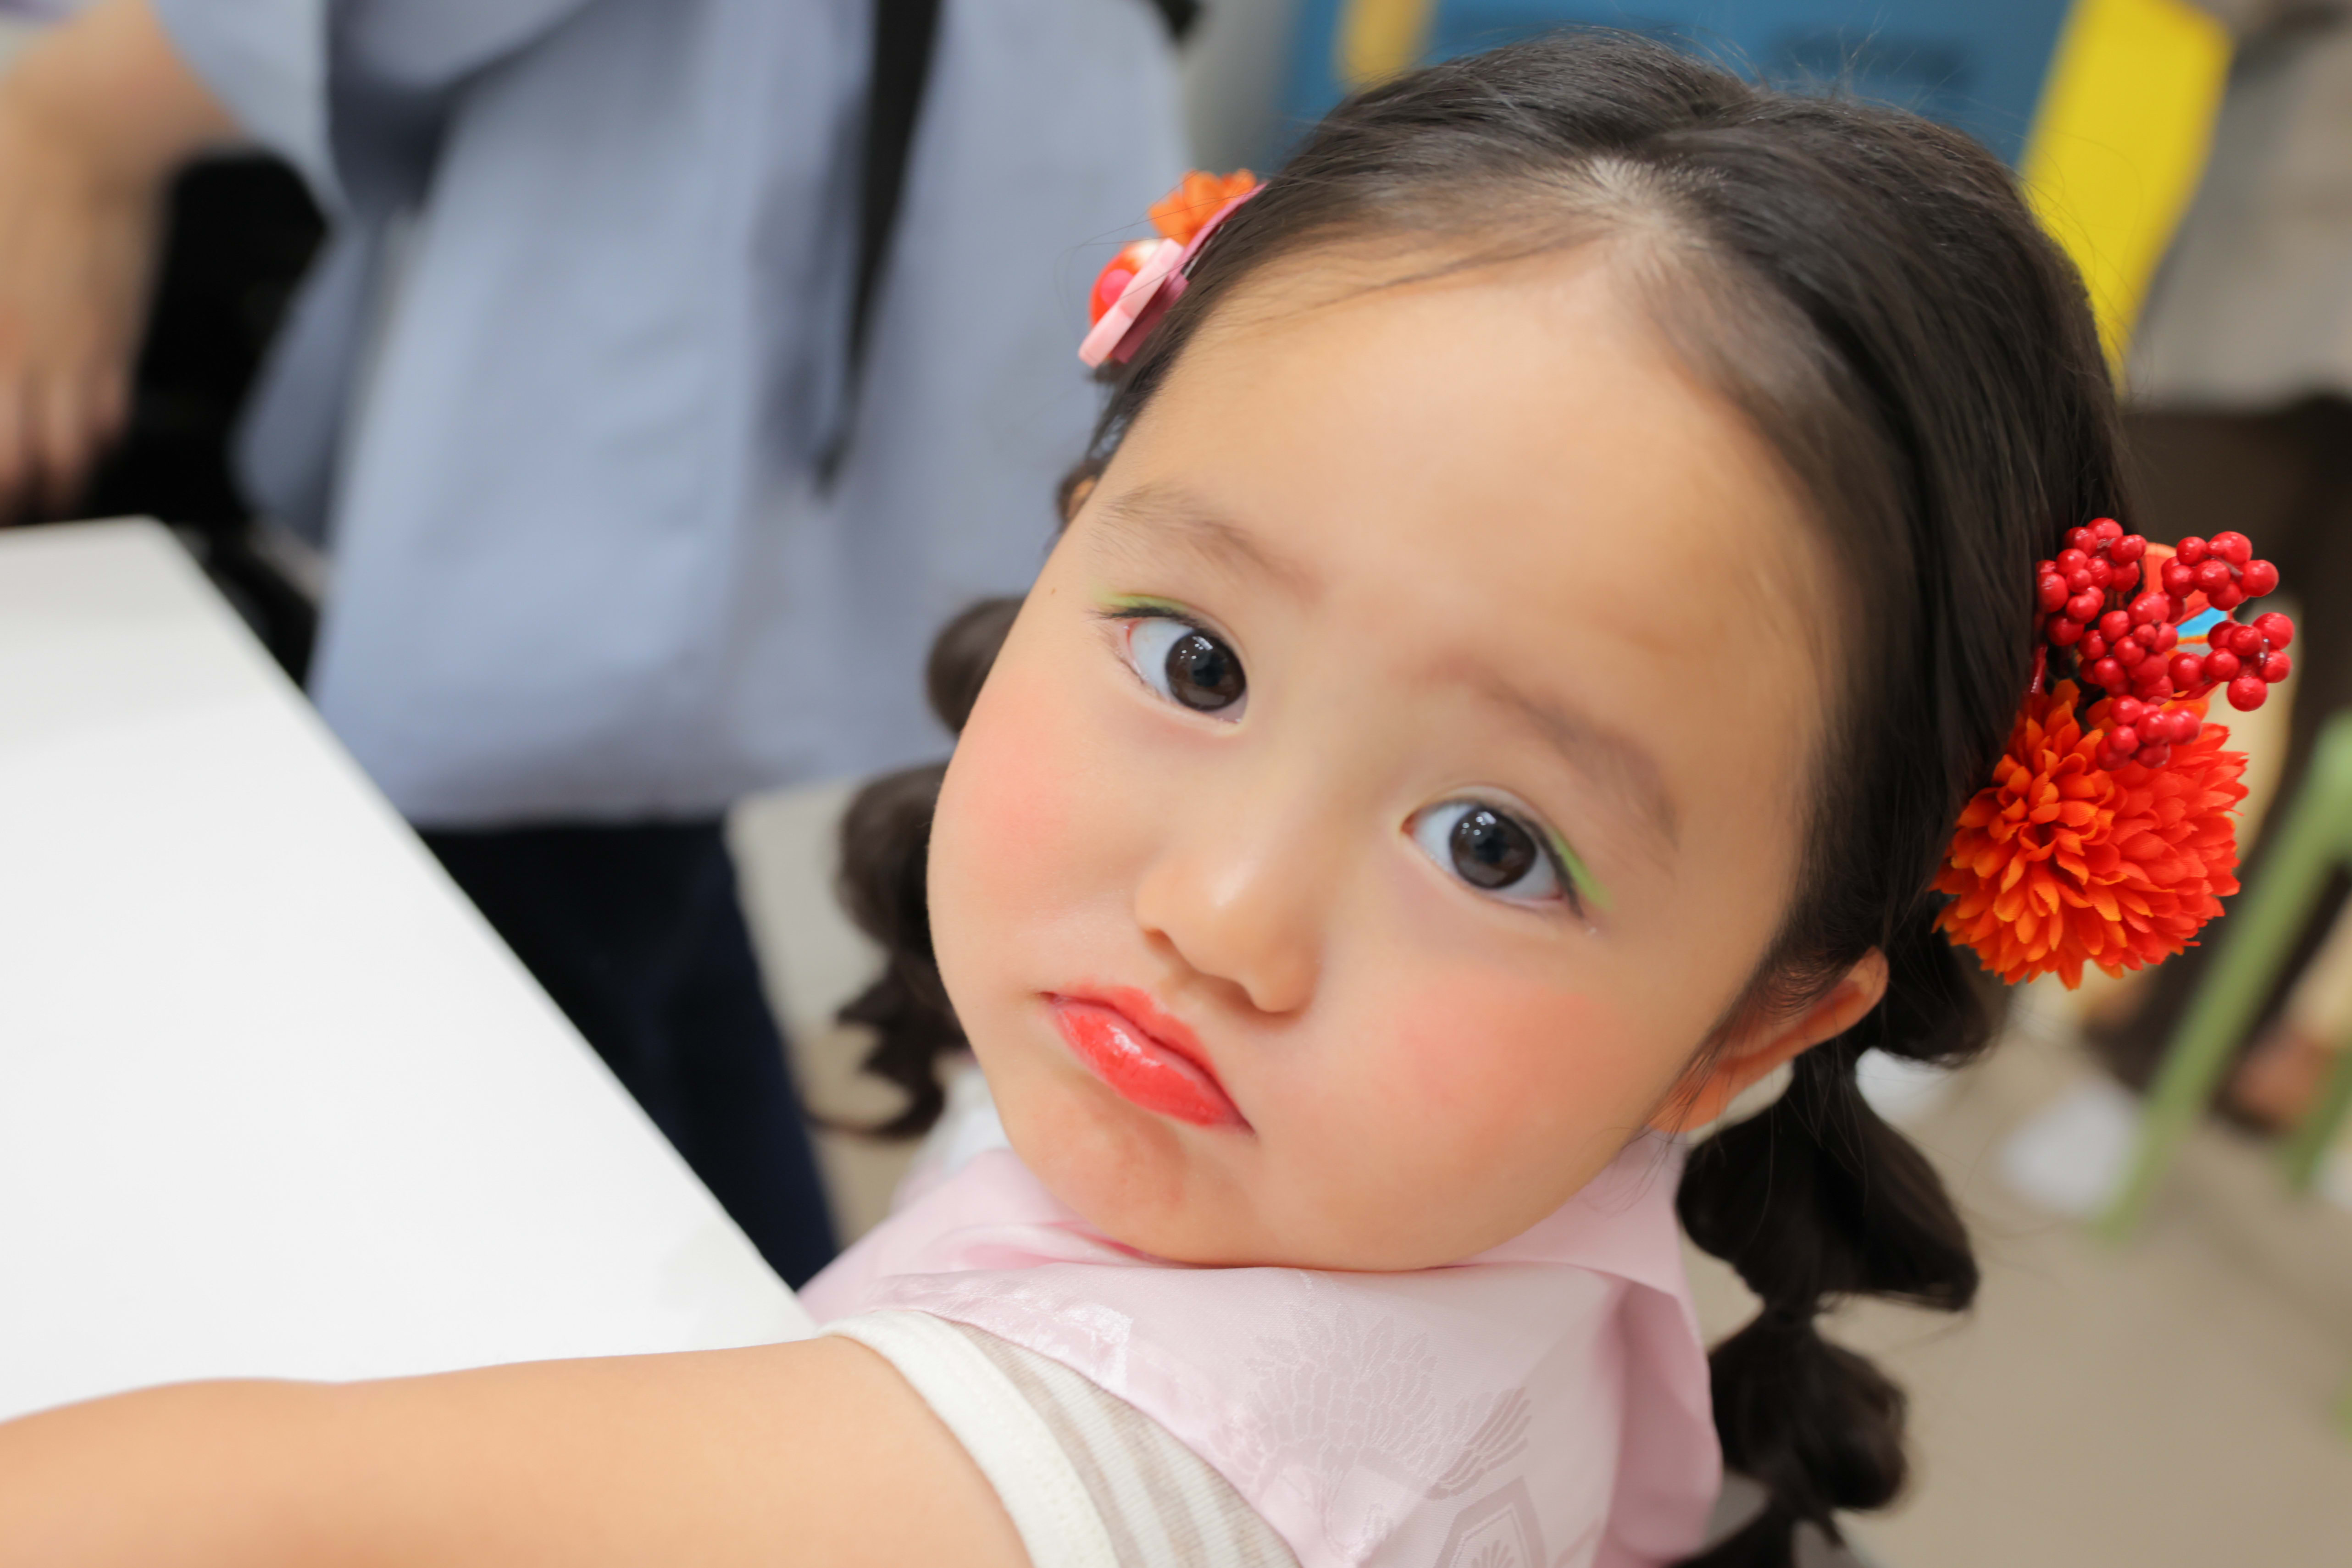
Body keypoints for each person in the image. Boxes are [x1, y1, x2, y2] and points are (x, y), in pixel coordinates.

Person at [0, 33, 2275, 1568]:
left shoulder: (1152, 1466)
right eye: (1197, 661)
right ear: (1076, 525)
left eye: (1492, 843)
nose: (1224, 907)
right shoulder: (1432, 1211)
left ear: (1760, 1024)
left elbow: (246, 1506)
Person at [0, 0, 1187, 1286]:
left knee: (527, 945)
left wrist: (86, 111)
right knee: (618, 892)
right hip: (763, 195)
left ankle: (756, 1427)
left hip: (678, 206)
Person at [2088, 0, 2352, 1103]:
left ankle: (2162, 1075)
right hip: (2265, 288)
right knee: (2101, 664)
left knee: (2337, 773)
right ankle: (1954, 990)